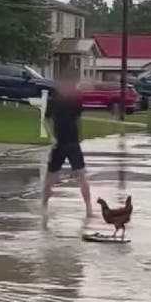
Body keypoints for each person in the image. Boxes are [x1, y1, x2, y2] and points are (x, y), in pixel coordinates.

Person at [41, 79, 93, 216]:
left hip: (73, 142)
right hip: (59, 143)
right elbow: (46, 119)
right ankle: (44, 206)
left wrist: (81, 134)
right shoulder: (54, 100)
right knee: (50, 177)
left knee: (82, 175)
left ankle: (89, 208)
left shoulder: (75, 100)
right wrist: (51, 136)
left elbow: (78, 118)